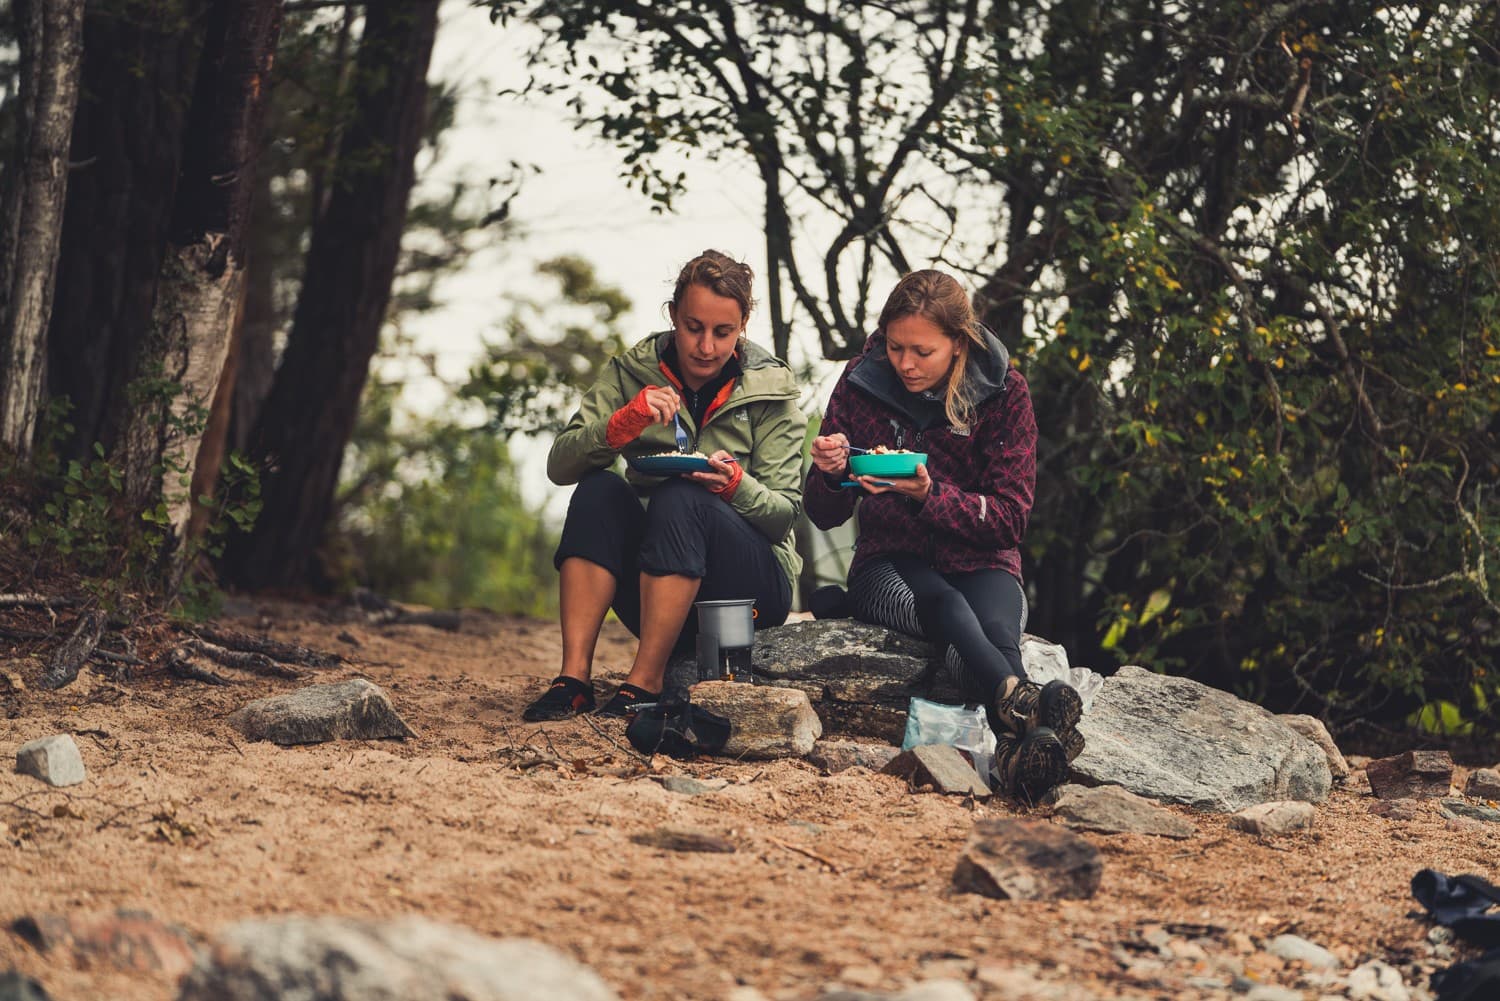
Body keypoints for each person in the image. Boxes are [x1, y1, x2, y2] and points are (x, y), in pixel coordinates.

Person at [803, 269, 1083, 801]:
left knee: (985, 640)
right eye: (895, 347)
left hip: (984, 560)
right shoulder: (861, 383)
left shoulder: (1006, 392)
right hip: (888, 563)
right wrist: (826, 470)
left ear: (958, 343)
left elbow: (1010, 519)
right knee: (948, 606)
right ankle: (1024, 708)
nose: (905, 363)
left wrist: (928, 495)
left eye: (922, 352)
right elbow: (823, 514)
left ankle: (1016, 748)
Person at [524, 250, 806, 721]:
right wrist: (620, 425)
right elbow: (560, 466)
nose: (706, 347)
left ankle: (646, 681)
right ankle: (573, 680)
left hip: (750, 589)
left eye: (723, 332)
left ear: (743, 327)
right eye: (693, 327)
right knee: (598, 490)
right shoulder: (630, 373)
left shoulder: (772, 393)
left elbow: (783, 517)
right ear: (672, 314)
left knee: (681, 494)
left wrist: (735, 485)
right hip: (656, 586)